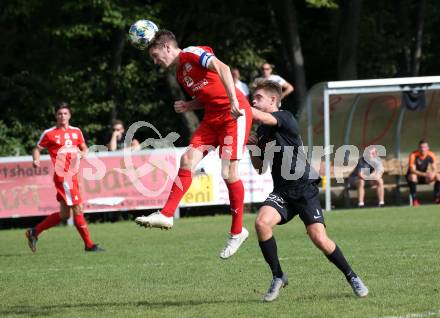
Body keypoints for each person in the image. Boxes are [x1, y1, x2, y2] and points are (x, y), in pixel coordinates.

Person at [134, 30, 253, 259]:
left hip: (233, 115)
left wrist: (234, 101)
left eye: (156, 56)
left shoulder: (191, 53)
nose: (157, 62)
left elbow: (224, 69)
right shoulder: (180, 74)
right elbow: (208, 95)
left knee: (228, 172)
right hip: (212, 118)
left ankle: (237, 231)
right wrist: (190, 106)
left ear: (168, 47)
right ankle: (167, 214)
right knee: (187, 159)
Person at [248, 80, 368, 302]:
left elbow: (260, 116)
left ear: (273, 99)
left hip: (304, 187)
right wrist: (252, 147)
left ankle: (352, 277)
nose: (253, 101)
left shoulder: (285, 117)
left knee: (319, 238)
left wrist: (237, 106)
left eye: (258, 98)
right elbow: (259, 167)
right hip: (283, 191)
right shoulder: (262, 130)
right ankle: (278, 276)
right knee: (261, 223)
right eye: (252, 98)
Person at [25, 103, 104, 253]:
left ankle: (34, 232)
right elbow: (37, 148)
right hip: (63, 176)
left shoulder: (76, 131)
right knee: (78, 208)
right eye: (60, 114)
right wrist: (36, 159)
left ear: (70, 115)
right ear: (56, 116)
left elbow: (84, 148)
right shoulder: (49, 133)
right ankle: (89, 245)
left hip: (73, 175)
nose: (62, 116)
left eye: (65, 113)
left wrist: (83, 153)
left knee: (64, 214)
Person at [407, 139, 440, 206]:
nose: (423, 149)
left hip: (424, 177)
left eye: (425, 147)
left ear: (428, 148)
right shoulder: (413, 154)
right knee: (413, 176)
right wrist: (425, 174)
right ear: (418, 148)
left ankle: (437, 198)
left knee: (438, 176)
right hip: (414, 177)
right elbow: (412, 170)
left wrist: (432, 174)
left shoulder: (431, 154)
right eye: (421, 147)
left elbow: (435, 169)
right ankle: (414, 200)